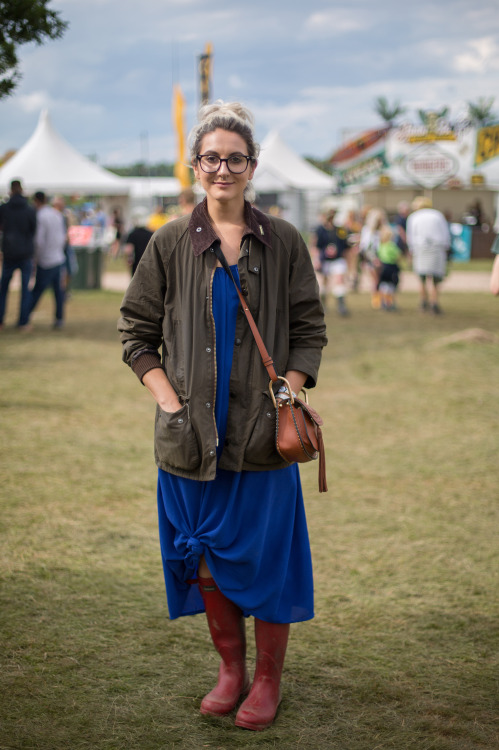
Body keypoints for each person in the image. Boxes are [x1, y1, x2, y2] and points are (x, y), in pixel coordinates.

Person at [118, 100, 327, 731]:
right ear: (195, 166)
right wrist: (171, 404)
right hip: (190, 442)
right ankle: (231, 671)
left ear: (253, 165)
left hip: (263, 440)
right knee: (206, 556)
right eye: (212, 157)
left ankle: (266, 682)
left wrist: (285, 398)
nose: (223, 168)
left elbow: (308, 330)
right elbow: (135, 332)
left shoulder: (283, 240)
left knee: (267, 560)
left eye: (235, 158)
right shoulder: (168, 243)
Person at [0, 179, 37, 330]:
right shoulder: (29, 209)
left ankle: (0, 321)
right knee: (25, 289)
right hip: (25, 253)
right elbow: (33, 230)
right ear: (21, 190)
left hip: (9, 252)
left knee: (3, 289)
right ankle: (23, 321)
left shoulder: (4, 208)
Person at [27, 191, 67, 329]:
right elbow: (63, 237)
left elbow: (39, 240)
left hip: (46, 259)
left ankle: (25, 316)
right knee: (59, 292)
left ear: (36, 201)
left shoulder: (40, 216)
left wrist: (36, 257)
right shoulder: (57, 215)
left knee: (37, 291)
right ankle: (59, 318)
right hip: (58, 257)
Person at [406, 196, 451, 314]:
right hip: (437, 248)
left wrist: (411, 251)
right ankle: (434, 302)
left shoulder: (413, 217)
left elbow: (411, 236)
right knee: (436, 279)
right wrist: (446, 248)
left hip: (420, 248)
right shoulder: (437, 215)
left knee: (422, 278)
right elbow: (445, 233)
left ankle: (423, 302)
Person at [309, 209, 350, 316]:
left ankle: (341, 306)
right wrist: (317, 259)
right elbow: (314, 246)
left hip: (337, 260)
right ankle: (323, 305)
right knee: (323, 284)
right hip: (324, 261)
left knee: (339, 280)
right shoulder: (319, 230)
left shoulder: (340, 229)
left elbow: (345, 245)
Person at [358, 208, 386, 309]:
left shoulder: (382, 230)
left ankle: (382, 298)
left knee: (381, 279)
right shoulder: (368, 230)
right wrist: (373, 258)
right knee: (375, 279)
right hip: (372, 258)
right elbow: (365, 247)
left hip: (382, 257)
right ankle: (377, 299)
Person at [376, 224, 403, 310]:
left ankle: (383, 301)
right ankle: (390, 302)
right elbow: (398, 255)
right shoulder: (391, 245)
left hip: (383, 267)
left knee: (383, 285)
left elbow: (379, 255)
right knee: (391, 286)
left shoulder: (381, 245)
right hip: (391, 267)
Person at [123, 207, 153, 276]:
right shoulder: (151, 234)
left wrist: (128, 260)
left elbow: (128, 250)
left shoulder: (132, 234)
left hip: (136, 263)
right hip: (149, 263)